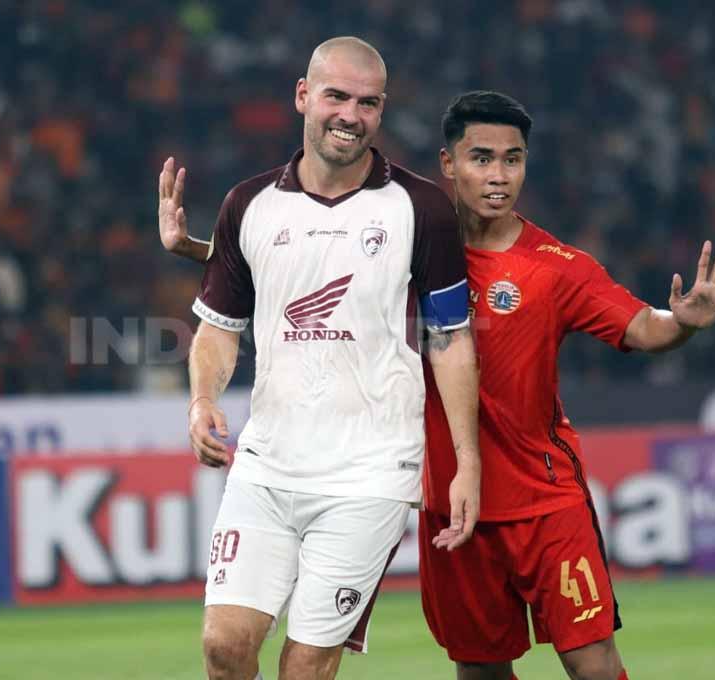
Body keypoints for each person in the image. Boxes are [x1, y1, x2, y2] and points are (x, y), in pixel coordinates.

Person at [159, 37, 482, 680]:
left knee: (305, 667)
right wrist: (201, 401)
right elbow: (220, 328)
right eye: (336, 95)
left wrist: (466, 460)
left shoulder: (421, 209)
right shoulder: (248, 205)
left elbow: (449, 340)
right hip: (268, 464)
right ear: (303, 96)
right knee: (224, 648)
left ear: (381, 111)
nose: (350, 115)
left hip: (369, 471)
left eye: (367, 103)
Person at [419, 91, 715, 680]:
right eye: (482, 158)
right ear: (449, 163)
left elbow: (642, 326)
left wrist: (684, 322)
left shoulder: (556, 265)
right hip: (454, 505)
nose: (499, 176)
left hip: (545, 502)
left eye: (513, 160)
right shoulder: (413, 254)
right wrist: (209, 255)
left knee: (593, 664)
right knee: (480, 670)